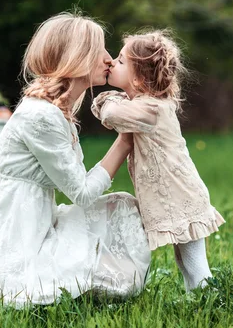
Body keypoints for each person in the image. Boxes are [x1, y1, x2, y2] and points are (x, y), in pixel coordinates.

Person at [0, 12, 151, 307]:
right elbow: (83, 194)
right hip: (19, 236)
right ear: (77, 57)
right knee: (118, 209)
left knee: (120, 205)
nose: (109, 59)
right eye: (99, 50)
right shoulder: (41, 117)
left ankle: (95, 286)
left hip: (38, 220)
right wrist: (124, 141)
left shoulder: (54, 111)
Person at [92, 30, 225, 292]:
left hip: (181, 196)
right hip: (177, 194)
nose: (112, 64)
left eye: (120, 61)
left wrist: (107, 98)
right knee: (184, 259)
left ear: (139, 77)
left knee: (193, 262)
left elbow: (111, 116)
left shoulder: (150, 109)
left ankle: (210, 299)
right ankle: (199, 298)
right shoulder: (144, 103)